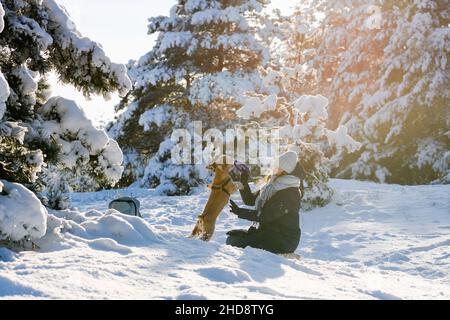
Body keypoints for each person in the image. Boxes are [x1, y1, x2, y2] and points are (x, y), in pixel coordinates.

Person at [227, 151, 304, 254]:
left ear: (286, 170)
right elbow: (250, 200)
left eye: (278, 166)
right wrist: (243, 180)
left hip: (284, 240)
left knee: (234, 242)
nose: (274, 168)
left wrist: (240, 212)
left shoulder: (291, 193)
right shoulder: (272, 186)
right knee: (233, 238)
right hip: (269, 233)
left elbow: (266, 215)